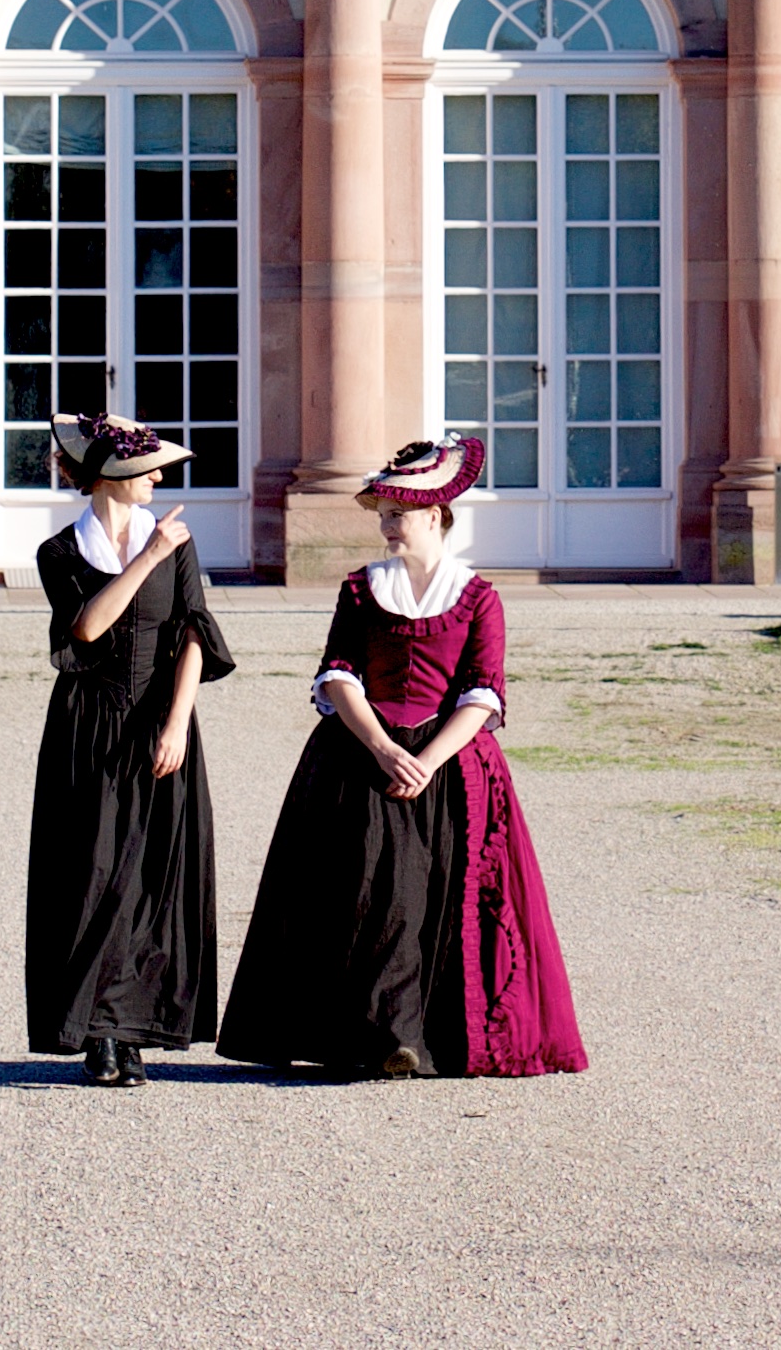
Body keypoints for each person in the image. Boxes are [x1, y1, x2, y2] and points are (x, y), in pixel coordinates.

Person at [219, 434, 587, 1079]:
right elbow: (338, 674)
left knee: (438, 898)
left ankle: (424, 1036)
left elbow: (483, 693)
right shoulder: (361, 589)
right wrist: (385, 748)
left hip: (451, 766)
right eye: (384, 514)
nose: (387, 525)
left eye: (399, 514)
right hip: (361, 753)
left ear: (436, 515)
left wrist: (429, 760)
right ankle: (371, 1037)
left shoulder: (477, 596)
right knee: (367, 894)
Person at [26, 410, 236, 1087]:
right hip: (87, 728)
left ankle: (132, 1032)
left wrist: (177, 723)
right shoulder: (60, 553)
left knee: (152, 880)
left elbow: (196, 633)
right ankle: (96, 1032)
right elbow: (86, 629)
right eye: (147, 468)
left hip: (160, 723)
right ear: (109, 475)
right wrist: (147, 556)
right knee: (90, 877)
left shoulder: (176, 541)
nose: (158, 478)